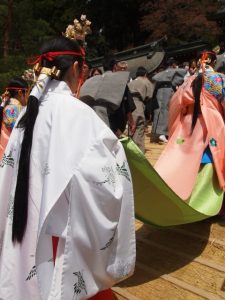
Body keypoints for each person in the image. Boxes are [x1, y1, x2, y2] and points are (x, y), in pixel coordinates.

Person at [0, 36, 135, 300]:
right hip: (62, 242)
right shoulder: (78, 115)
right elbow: (104, 184)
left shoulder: (25, 118)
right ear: (75, 69)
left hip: (25, 230)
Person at [154, 50, 225, 212]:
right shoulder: (219, 79)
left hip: (189, 124)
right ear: (213, 63)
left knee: (185, 159)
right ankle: (208, 204)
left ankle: (184, 199)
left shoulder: (189, 79)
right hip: (211, 124)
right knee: (213, 157)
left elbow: (176, 102)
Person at [80, 54, 136, 137]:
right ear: (115, 66)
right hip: (114, 125)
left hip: (94, 121)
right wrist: (132, 122)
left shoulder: (91, 80)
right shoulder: (119, 81)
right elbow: (128, 105)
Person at [151, 57, 187, 143]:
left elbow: (155, 78)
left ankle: (159, 132)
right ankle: (161, 133)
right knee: (164, 111)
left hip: (162, 90)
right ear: (173, 64)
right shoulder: (171, 71)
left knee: (161, 111)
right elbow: (183, 73)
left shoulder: (163, 73)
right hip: (167, 91)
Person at [0, 77, 28, 160]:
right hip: (8, 151)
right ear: (20, 92)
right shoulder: (12, 109)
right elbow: (19, 132)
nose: (28, 95)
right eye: (27, 92)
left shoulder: (10, 106)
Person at [128, 66, 154, 152]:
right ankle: (139, 153)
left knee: (131, 129)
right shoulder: (146, 81)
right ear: (145, 74)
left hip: (128, 106)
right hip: (138, 104)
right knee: (139, 129)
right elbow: (149, 98)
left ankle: (130, 152)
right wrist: (149, 113)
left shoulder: (130, 83)